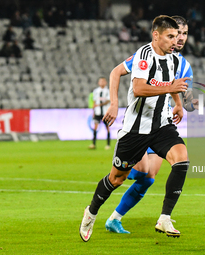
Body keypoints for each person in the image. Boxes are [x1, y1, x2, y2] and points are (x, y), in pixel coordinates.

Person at [80, 15, 190, 242]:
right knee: (116, 179)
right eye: (170, 36)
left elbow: (173, 86)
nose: (175, 40)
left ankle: (165, 217)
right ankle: (91, 212)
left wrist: (178, 104)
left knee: (181, 160)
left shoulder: (175, 60)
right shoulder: (144, 56)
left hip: (161, 125)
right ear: (156, 35)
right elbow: (139, 88)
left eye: (178, 35)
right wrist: (114, 102)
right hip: (135, 130)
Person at [88, 77, 111, 150]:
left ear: (106, 82)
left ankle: (108, 144)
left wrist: (99, 105)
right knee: (95, 127)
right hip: (97, 112)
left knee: (107, 128)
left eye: (103, 81)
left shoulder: (108, 91)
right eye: (100, 81)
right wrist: (94, 111)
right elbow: (94, 102)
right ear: (98, 83)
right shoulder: (96, 91)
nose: (102, 83)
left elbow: (108, 101)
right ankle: (93, 144)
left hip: (105, 112)